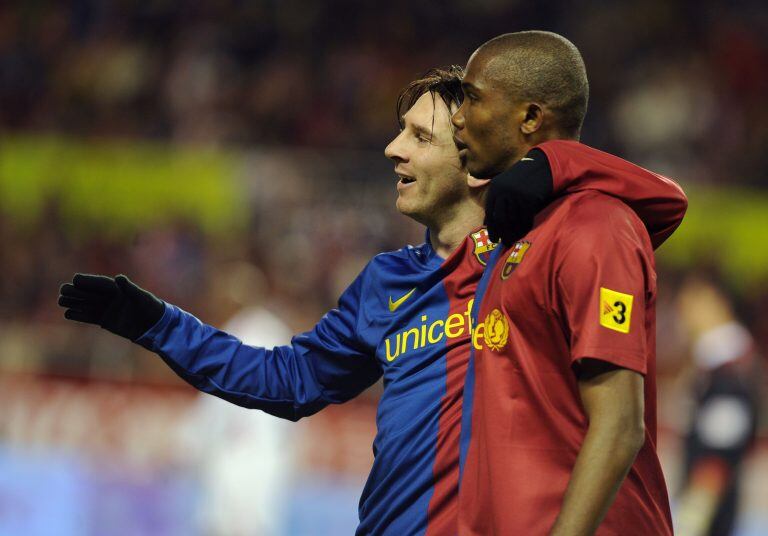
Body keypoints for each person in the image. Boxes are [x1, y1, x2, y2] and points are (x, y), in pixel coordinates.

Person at [58, 66, 686, 535]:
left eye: (418, 135)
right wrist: (158, 324)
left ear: (471, 158)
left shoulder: (531, 257)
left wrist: (551, 163)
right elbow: (291, 380)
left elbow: (658, 199)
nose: (394, 150)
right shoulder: (387, 282)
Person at [452, 31, 687, 535]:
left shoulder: (596, 229)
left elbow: (620, 426)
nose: (457, 116)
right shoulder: (521, 235)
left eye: (471, 98)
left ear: (531, 118)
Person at [674, 276, 761, 536]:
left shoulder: (729, 368)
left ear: (717, 303)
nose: (684, 314)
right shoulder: (715, 362)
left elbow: (716, 458)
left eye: (691, 305)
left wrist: (689, 521)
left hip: (711, 517)